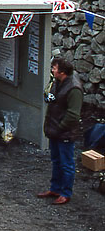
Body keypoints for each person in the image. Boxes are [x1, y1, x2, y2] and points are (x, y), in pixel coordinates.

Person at [38, 57, 83, 205]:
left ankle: (65, 193)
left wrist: (59, 128)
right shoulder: (58, 82)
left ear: (62, 72)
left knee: (66, 163)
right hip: (55, 130)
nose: (52, 70)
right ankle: (55, 188)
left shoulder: (74, 88)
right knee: (56, 161)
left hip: (64, 132)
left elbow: (73, 114)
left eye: (54, 68)